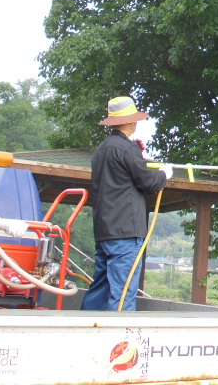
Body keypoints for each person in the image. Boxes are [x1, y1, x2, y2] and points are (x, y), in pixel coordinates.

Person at [80, 96, 172, 312]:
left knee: (101, 288)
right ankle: (120, 332)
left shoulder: (101, 150)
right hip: (125, 232)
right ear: (131, 120)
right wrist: (164, 174)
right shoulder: (126, 149)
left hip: (104, 231)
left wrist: (137, 154)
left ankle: (85, 326)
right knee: (123, 292)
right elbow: (148, 182)